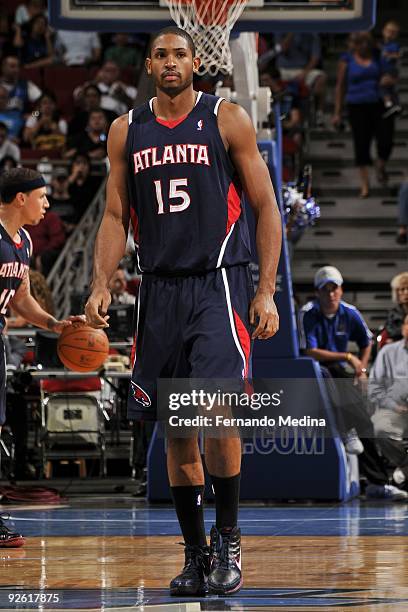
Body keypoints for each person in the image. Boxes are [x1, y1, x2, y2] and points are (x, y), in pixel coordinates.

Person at [85, 26, 281, 596]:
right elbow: (116, 216)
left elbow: (266, 207)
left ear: (196, 61)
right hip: (158, 290)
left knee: (214, 415)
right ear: (149, 64)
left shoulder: (227, 118)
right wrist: (101, 282)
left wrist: (264, 290)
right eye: (162, 55)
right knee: (176, 433)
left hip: (217, 284)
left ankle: (228, 537)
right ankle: (195, 554)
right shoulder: (127, 130)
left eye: (180, 54)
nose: (171, 62)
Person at [0, 167, 83, 546]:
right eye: (42, 196)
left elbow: (21, 298)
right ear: (21, 198)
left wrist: (54, 324)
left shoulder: (25, 242)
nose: (47, 203)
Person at [298, 265, 408, 501]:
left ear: (341, 290)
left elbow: (366, 342)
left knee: (365, 421)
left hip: (340, 374)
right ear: (317, 292)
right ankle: (348, 429)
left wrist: (361, 369)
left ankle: (377, 483)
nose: (330, 294)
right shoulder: (307, 312)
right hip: (312, 372)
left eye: (334, 289)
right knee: (334, 372)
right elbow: (311, 351)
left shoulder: (350, 312)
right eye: (325, 289)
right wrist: (349, 357)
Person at [332, 32, 397, 197]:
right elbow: (340, 86)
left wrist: (388, 80)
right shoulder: (347, 60)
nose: (363, 46)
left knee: (386, 140)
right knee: (361, 144)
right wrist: (337, 112)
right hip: (356, 105)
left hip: (378, 102)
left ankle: (381, 165)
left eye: (365, 42)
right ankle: (365, 184)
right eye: (359, 43)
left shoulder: (377, 57)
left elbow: (391, 74)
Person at [369, 313, 408, 488]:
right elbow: (374, 388)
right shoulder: (388, 352)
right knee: (380, 428)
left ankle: (405, 471)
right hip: (395, 410)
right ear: (403, 328)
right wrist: (394, 406)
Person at [274, 32, 327, 127]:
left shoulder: (311, 33)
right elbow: (282, 49)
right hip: (283, 70)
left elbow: (315, 57)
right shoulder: (280, 29)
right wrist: (291, 33)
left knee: (321, 78)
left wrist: (304, 73)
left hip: (304, 70)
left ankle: (318, 114)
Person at [380, 20, 402, 118]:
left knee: (385, 87)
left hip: (390, 70)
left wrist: (388, 54)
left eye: (393, 32)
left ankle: (389, 105)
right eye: (388, 31)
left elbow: (397, 55)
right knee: (388, 89)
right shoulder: (382, 45)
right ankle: (395, 106)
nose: (390, 34)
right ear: (383, 31)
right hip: (383, 69)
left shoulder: (394, 45)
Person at [383, 272, 408, 342]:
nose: (406, 292)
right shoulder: (392, 313)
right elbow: (391, 332)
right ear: (397, 292)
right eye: (402, 289)